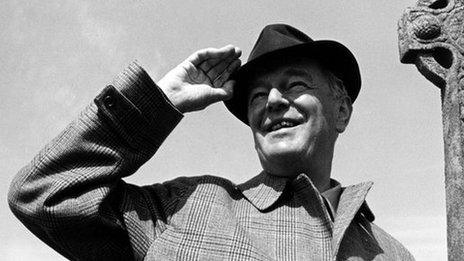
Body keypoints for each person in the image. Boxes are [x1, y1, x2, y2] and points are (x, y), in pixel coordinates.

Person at [8, 24, 414, 260]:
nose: (272, 101)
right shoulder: (186, 208)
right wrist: (159, 103)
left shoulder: (391, 253)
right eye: (258, 95)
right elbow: (43, 195)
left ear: (341, 110)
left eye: (295, 84)